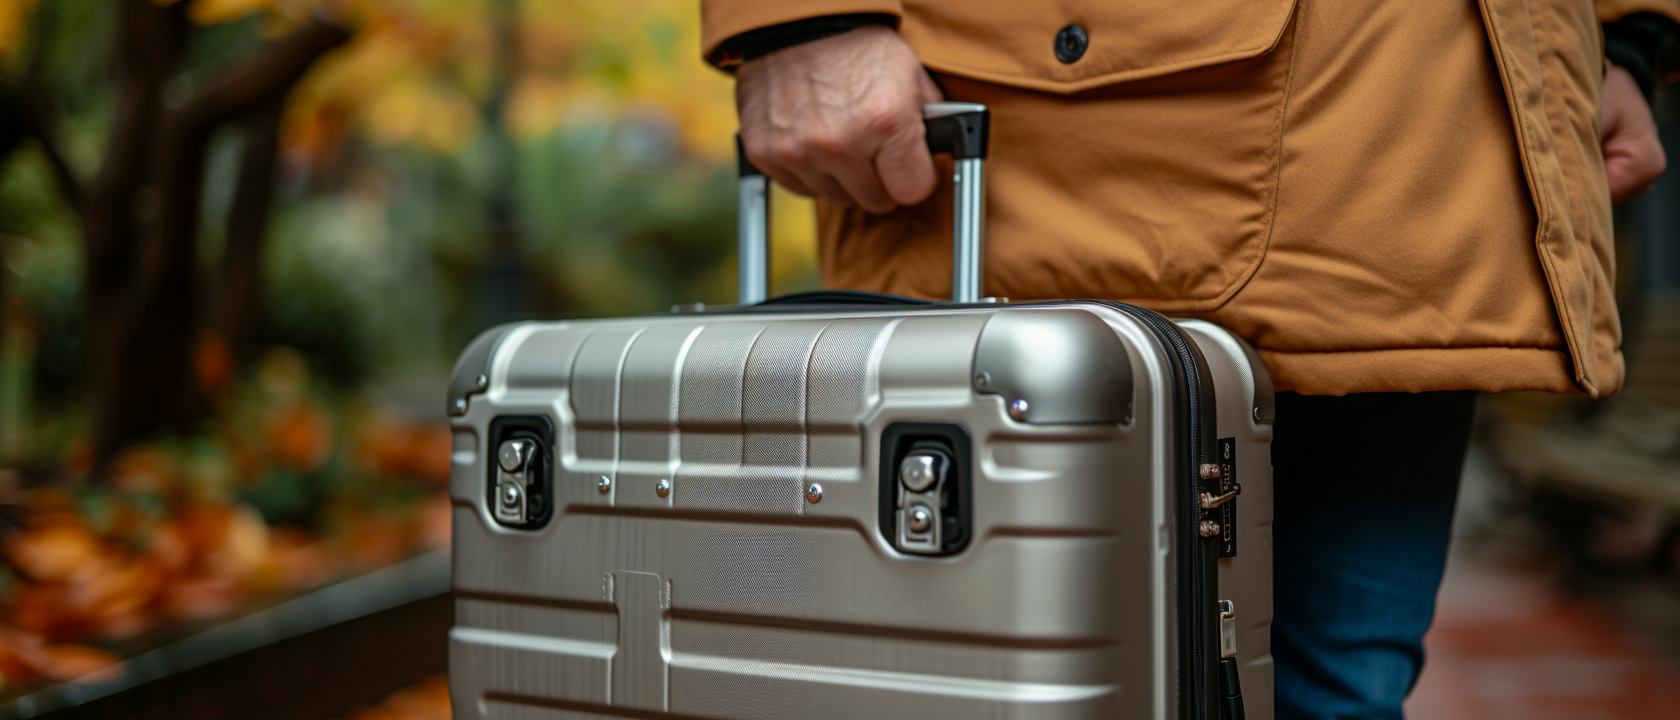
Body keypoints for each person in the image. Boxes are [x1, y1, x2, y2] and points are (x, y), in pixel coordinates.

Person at [701, 0, 1678, 717]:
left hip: (1434, 159)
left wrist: (1622, 34)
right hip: (1095, 136)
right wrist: (796, 17)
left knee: (1340, 687)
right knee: (992, 679)